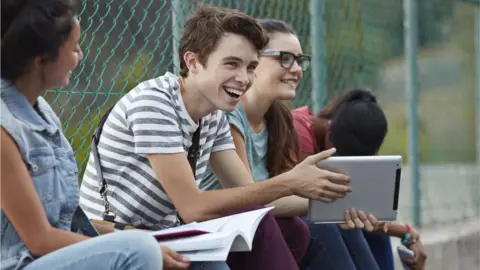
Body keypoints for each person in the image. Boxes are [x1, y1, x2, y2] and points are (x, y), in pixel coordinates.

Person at [78, 4, 355, 270]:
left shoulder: (212, 115)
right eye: (231, 64)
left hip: (165, 235)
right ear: (193, 61)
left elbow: (252, 198)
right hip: (113, 238)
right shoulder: (155, 103)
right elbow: (193, 208)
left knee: (292, 229)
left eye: (250, 67)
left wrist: (334, 202)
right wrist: (289, 182)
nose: (243, 78)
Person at [0, 0, 190, 270]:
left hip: (50, 256)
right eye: (74, 48)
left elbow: (67, 222)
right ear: (41, 61)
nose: (80, 55)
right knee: (139, 252)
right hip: (21, 263)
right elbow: (39, 240)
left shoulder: (41, 111)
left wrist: (133, 235)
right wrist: (132, 244)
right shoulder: (4, 127)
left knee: (163, 247)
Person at [199, 19, 382, 270]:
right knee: (320, 225)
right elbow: (250, 199)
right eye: (284, 58)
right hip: (221, 230)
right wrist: (332, 202)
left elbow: (286, 193)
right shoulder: (229, 116)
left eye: (299, 60)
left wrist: (340, 205)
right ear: (254, 60)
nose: (296, 69)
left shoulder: (279, 118)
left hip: (263, 228)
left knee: (341, 223)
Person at [292, 88, 427, 270]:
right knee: (344, 225)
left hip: (331, 222)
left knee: (372, 228)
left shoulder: (348, 135)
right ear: (330, 132)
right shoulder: (300, 133)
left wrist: (407, 233)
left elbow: (354, 210)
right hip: (301, 223)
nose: (344, 164)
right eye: (341, 157)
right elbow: (325, 208)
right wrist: (406, 232)